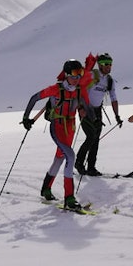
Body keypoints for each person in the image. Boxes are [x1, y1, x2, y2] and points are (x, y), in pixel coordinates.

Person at [21, 59, 89, 210]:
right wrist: (26, 118)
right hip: (57, 127)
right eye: (75, 74)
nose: (77, 78)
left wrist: (83, 110)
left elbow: (82, 104)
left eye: (80, 74)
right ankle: (69, 197)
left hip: (70, 127)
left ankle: (46, 188)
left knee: (59, 158)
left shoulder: (78, 90)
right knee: (70, 156)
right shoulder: (56, 89)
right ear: (66, 74)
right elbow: (34, 98)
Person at [76, 52, 123, 176]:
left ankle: (91, 167)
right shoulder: (91, 75)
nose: (109, 66)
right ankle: (79, 163)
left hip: (97, 111)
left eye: (110, 64)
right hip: (85, 109)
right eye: (106, 64)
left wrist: (117, 116)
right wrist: (80, 107)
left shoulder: (109, 80)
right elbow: (80, 91)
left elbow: (113, 98)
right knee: (91, 137)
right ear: (100, 65)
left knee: (95, 139)